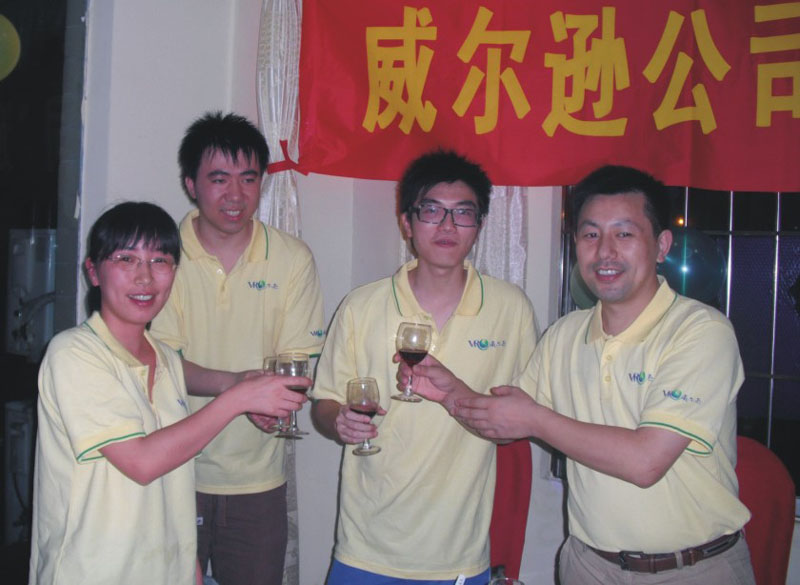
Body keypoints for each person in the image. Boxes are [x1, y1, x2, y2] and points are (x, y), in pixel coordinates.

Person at [407, 165, 756, 585]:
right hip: (587, 565)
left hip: (692, 569)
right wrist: (452, 392)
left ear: (661, 245)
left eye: (624, 234)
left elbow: (646, 461)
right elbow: (506, 422)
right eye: (590, 235)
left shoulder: (700, 331)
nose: (605, 251)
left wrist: (534, 419)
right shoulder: (565, 335)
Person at [29, 202, 308, 585]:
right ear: (93, 272)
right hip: (92, 572)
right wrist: (239, 398)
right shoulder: (74, 353)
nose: (144, 277)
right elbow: (142, 462)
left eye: (160, 261)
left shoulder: (166, 360)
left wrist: (188, 567)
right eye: (126, 259)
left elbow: (172, 480)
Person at [311, 150, 538, 584]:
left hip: (459, 555)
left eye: (463, 213)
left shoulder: (511, 309)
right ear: (407, 223)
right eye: (432, 211)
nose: (447, 226)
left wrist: (457, 395)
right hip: (365, 549)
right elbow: (324, 402)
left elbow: (521, 423)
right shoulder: (361, 306)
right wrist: (338, 420)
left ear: (480, 225)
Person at [149, 112, 325, 585]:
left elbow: (298, 360)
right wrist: (240, 389)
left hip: (257, 480)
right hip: (172, 469)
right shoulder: (162, 256)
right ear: (191, 184)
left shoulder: (292, 258)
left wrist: (273, 403)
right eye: (218, 179)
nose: (235, 194)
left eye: (248, 179)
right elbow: (161, 364)